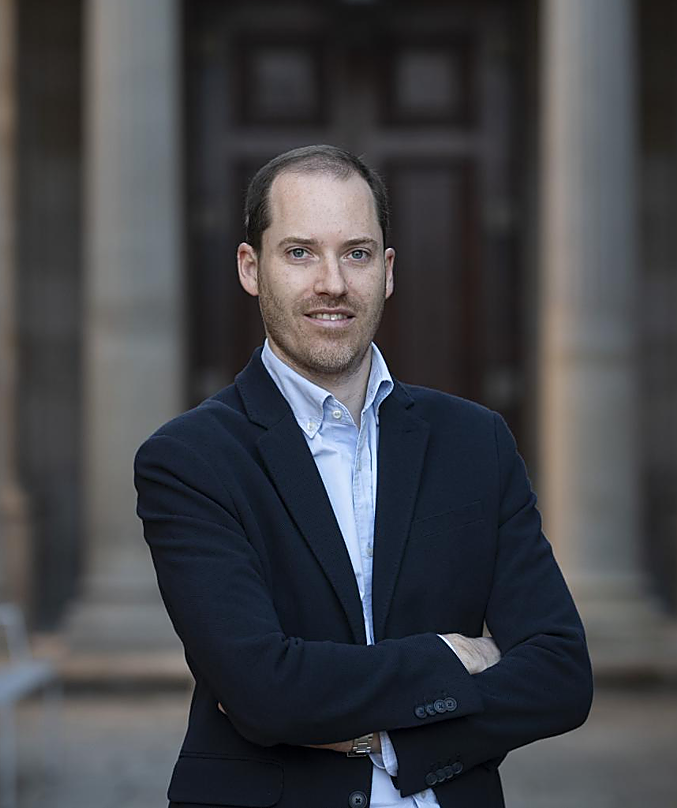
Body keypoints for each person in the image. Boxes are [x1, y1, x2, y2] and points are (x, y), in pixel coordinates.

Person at [135, 144, 591, 808]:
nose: (332, 283)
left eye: (356, 253)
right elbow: (261, 690)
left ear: (388, 270)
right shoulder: (190, 459)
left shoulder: (475, 442)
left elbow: (560, 674)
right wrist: (445, 657)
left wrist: (385, 740)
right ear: (249, 267)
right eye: (299, 253)